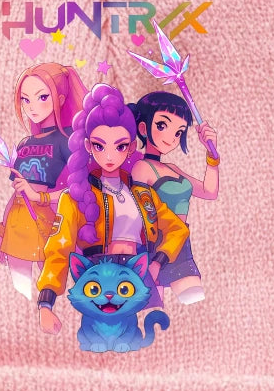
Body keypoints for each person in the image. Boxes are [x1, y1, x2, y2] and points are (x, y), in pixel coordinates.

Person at [36, 83, 189, 336]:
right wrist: (46, 302)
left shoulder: (143, 194)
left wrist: (158, 262)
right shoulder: (75, 196)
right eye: (99, 146)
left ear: (131, 147)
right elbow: (58, 248)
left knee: (137, 339)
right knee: (99, 337)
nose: (109, 156)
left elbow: (178, 229)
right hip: (100, 280)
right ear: (88, 146)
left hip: (138, 276)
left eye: (119, 146)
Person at [0, 63, 86, 300]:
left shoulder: (67, 140)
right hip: (16, 221)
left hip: (45, 220)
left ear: (61, 98)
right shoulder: (24, 144)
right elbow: (16, 192)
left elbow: (77, 188)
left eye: (42, 97)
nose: (32, 107)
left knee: (49, 284)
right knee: (20, 290)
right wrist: (2, 233)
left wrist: (40, 197)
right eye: (25, 100)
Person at [127, 90, 220, 304]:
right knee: (156, 308)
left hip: (181, 243)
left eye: (178, 132)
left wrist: (211, 155)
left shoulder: (172, 168)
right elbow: (143, 217)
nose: (171, 138)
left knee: (194, 301)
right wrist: (155, 260)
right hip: (159, 245)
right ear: (143, 128)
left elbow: (209, 191)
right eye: (162, 125)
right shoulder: (142, 168)